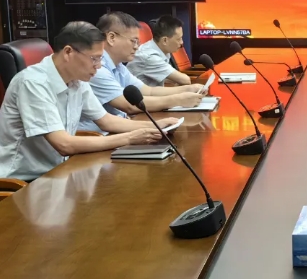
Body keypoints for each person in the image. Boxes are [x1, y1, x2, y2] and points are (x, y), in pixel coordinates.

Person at [0, 22, 179, 181]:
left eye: (100, 58)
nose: (99, 66)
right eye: (95, 58)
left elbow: (106, 121)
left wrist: (156, 126)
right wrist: (129, 138)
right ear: (68, 52)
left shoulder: (77, 79)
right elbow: (64, 144)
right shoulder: (33, 83)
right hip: (23, 182)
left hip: (58, 172)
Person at [78, 12, 206, 132]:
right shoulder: (97, 68)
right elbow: (129, 106)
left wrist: (187, 89)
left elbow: (148, 91)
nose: (137, 47)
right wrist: (178, 100)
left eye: (138, 42)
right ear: (111, 38)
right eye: (133, 41)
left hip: (119, 128)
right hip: (98, 136)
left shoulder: (119, 66)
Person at [127, 15, 191, 86]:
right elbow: (185, 80)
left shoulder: (162, 50)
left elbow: (162, 76)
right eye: (178, 39)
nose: (182, 42)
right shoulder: (149, 57)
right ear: (165, 40)